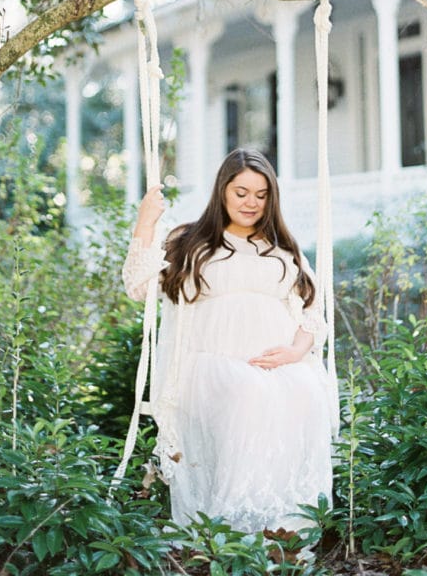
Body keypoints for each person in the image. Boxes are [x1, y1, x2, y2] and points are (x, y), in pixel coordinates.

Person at [122, 147, 334, 535]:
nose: (251, 203)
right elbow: (138, 286)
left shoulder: (283, 248)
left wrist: (297, 351)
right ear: (222, 191)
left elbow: (312, 310)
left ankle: (280, 529)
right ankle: (231, 527)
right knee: (247, 396)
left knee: (304, 394)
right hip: (212, 367)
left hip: (277, 365)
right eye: (241, 192)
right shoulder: (190, 242)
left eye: (261, 194)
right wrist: (145, 223)